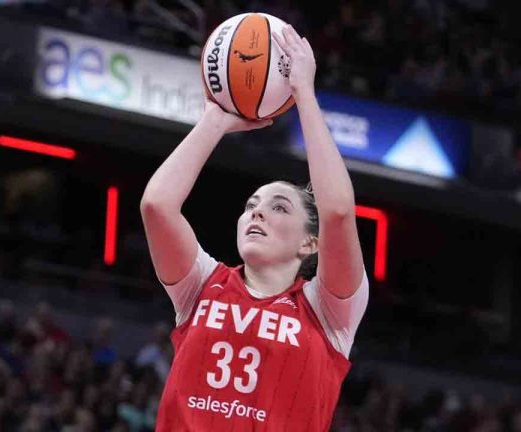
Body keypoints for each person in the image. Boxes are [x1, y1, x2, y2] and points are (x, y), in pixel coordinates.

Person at [140, 25, 369, 431]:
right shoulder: (201, 285)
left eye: (278, 207)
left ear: (309, 242)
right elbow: (157, 206)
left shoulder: (328, 310)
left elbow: (336, 212)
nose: (257, 213)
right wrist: (213, 121)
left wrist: (304, 95)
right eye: (251, 206)